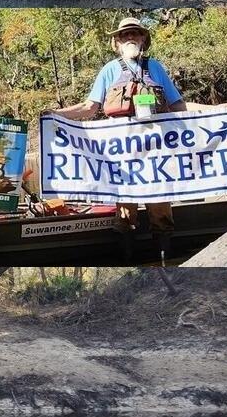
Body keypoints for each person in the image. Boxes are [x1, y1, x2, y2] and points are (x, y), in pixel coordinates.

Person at [55, 17, 186, 262]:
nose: (131, 38)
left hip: (156, 156)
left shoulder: (155, 67)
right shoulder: (109, 70)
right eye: (125, 35)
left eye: (136, 33)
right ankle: (129, 265)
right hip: (123, 161)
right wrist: (56, 114)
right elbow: (89, 107)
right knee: (125, 216)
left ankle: (166, 264)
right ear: (116, 42)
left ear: (144, 39)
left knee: (162, 214)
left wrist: (214, 109)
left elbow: (178, 105)